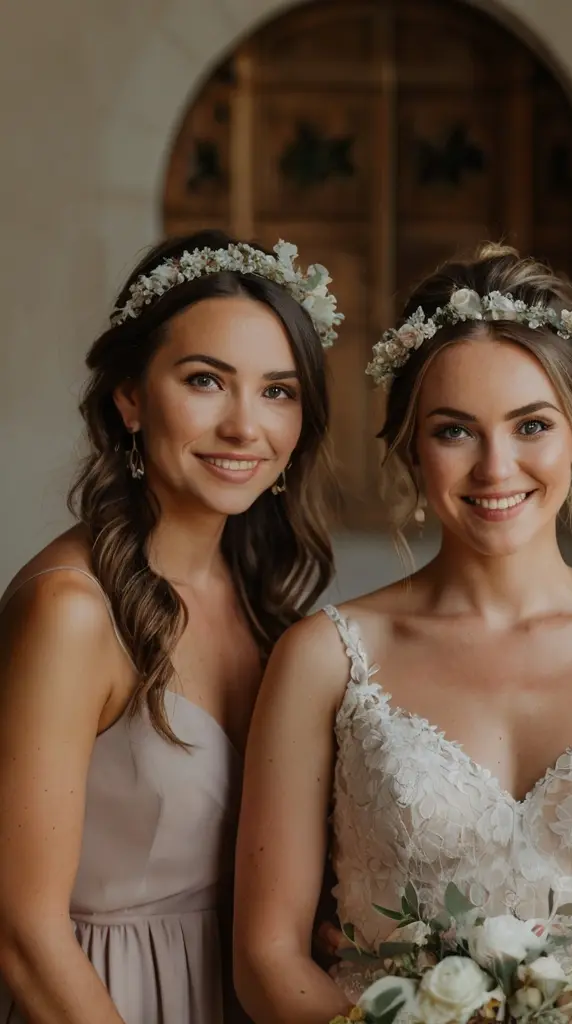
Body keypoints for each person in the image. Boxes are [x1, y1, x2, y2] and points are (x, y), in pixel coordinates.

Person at [233, 244, 572, 1023]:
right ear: (410, 446)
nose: (495, 467)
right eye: (455, 431)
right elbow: (265, 955)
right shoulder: (324, 659)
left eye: (531, 425)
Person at [0, 230, 341, 1023]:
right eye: (205, 381)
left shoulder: (267, 607)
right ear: (129, 396)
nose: (244, 426)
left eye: (278, 391)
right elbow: (23, 934)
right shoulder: (71, 613)